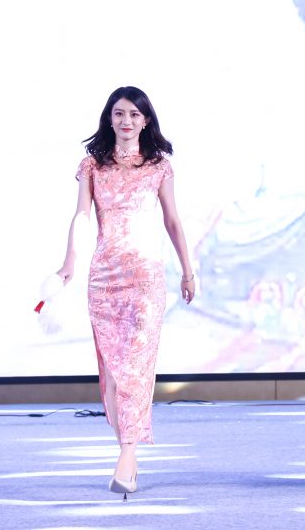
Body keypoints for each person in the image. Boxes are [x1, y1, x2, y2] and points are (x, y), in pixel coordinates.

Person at [56, 86, 195, 497]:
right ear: (109, 119)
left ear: (146, 120)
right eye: (119, 113)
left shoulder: (158, 166)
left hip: (146, 277)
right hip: (104, 278)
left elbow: (173, 221)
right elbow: (81, 217)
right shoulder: (92, 165)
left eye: (134, 114)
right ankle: (126, 452)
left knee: (136, 368)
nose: (126, 120)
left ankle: (128, 456)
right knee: (115, 375)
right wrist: (69, 262)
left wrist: (188, 270)